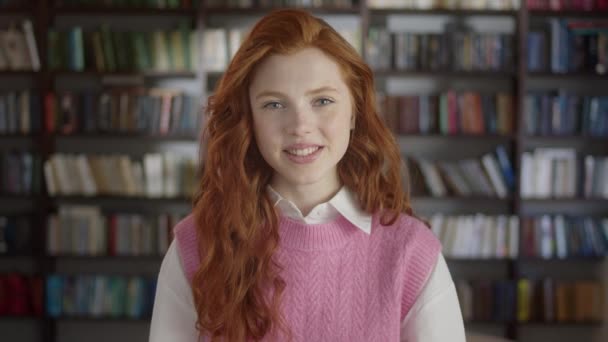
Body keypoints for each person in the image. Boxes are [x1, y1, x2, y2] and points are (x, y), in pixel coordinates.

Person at [149, 8, 465, 342]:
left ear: (355, 112)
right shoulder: (197, 245)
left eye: (323, 100)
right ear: (249, 120)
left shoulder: (411, 252)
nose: (300, 126)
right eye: (274, 105)